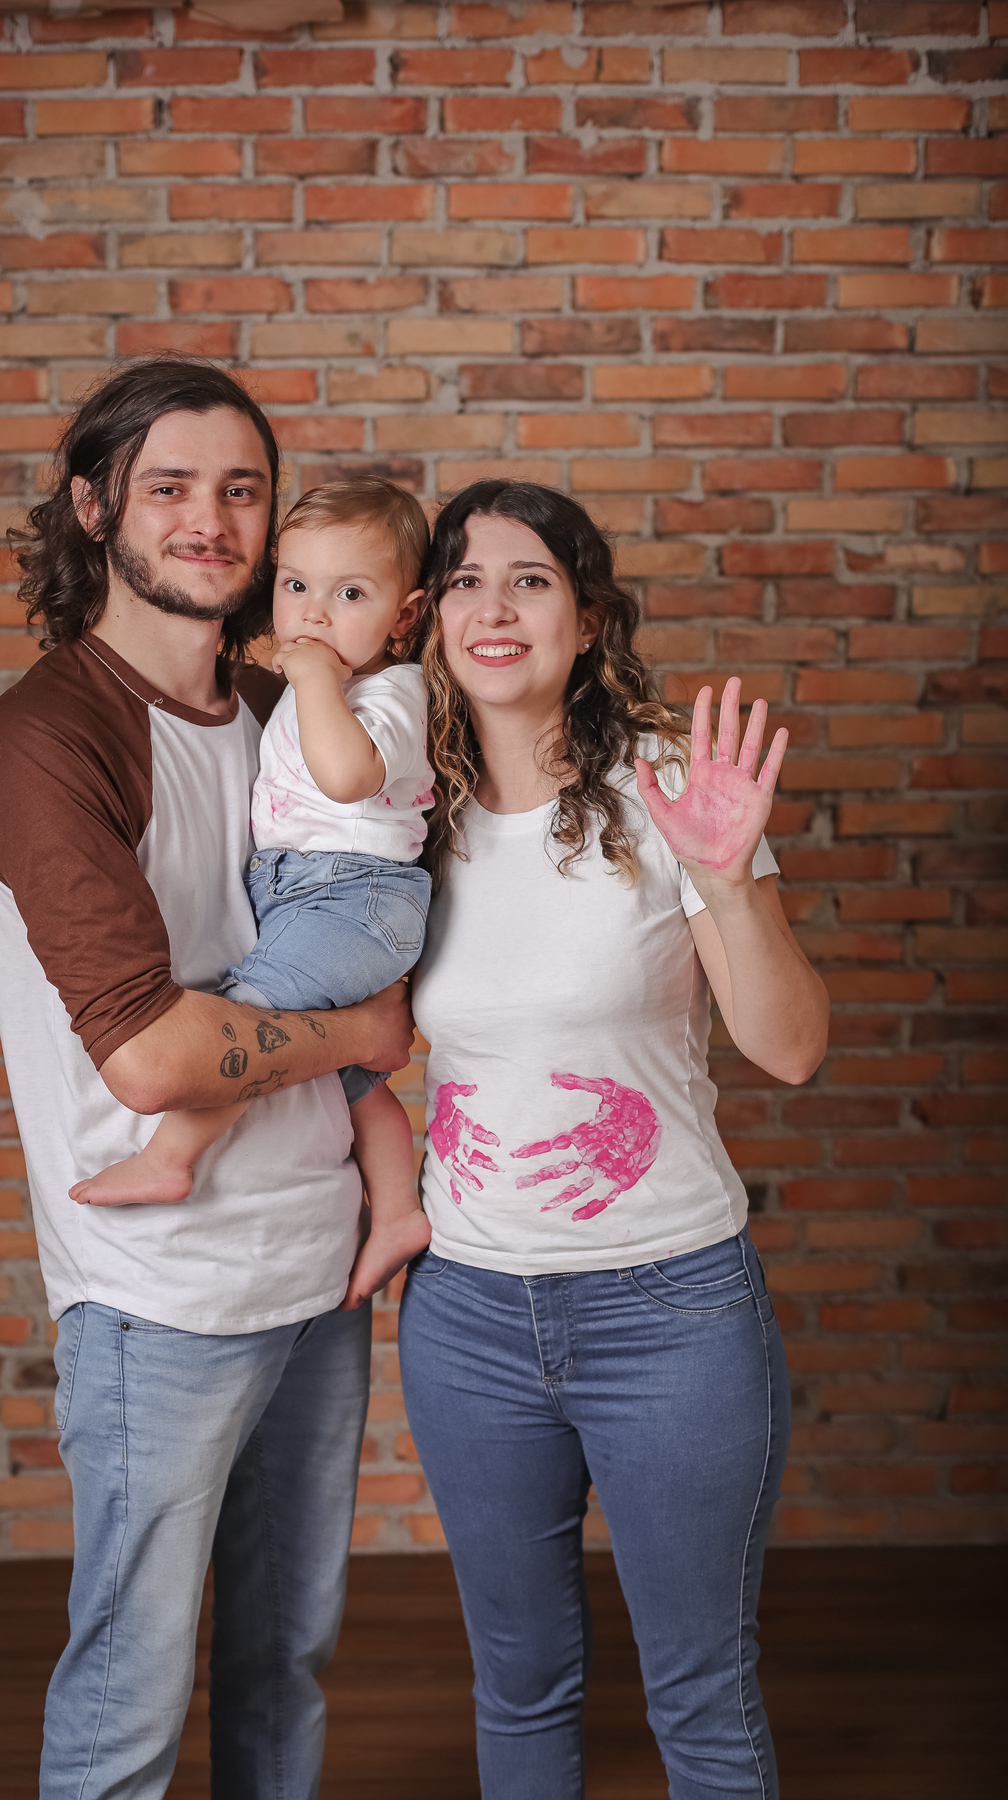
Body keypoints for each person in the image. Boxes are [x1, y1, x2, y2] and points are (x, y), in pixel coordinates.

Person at [0, 358, 413, 1800]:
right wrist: (360, 1037)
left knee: (285, 1667)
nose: (211, 520)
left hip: (317, 1267)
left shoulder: (290, 711)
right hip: (159, 1292)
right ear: (95, 508)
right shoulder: (47, 739)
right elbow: (153, 1056)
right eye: (169, 487)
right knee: (129, 1699)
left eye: (241, 490)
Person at [397, 481, 830, 1798]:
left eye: (529, 579)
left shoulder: (667, 788)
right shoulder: (402, 809)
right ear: (431, 618)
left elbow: (790, 1047)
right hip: (468, 1317)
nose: (494, 607)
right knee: (519, 1683)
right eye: (464, 581)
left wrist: (728, 880)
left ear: (587, 618)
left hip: (672, 1313)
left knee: (701, 1691)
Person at [68, 476, 435, 1311]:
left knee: (250, 1017)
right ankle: (399, 1211)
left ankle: (168, 1159)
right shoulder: (319, 687)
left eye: (350, 595)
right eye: (297, 586)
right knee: (349, 1076)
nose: (314, 615)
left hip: (356, 898)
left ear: (404, 617)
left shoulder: (393, 692)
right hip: (308, 894)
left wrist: (313, 680)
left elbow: (346, 777)